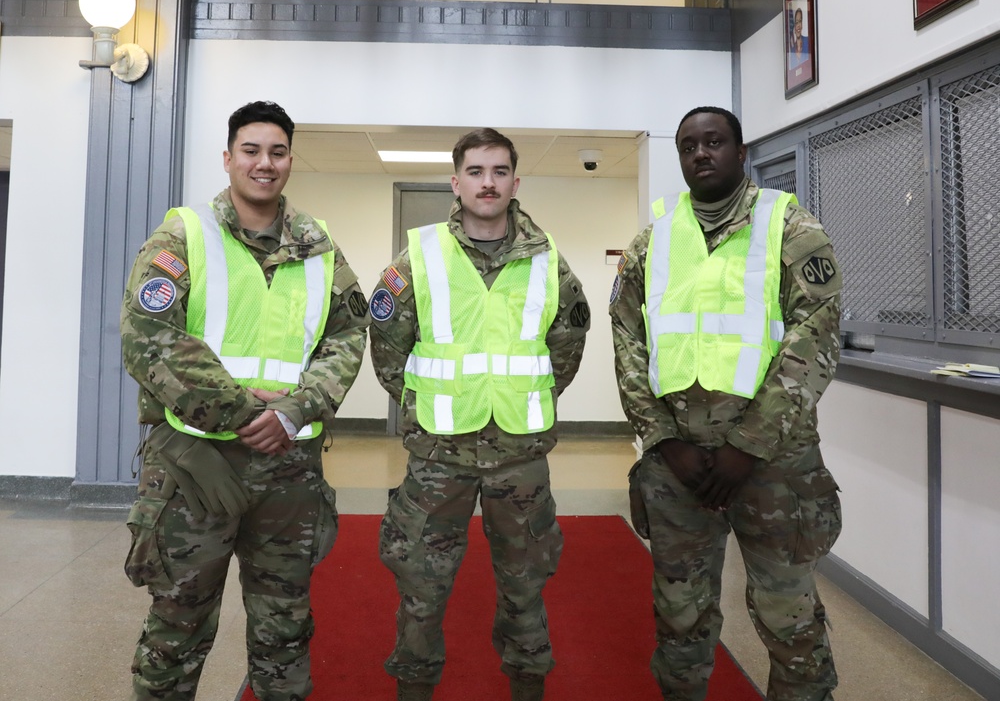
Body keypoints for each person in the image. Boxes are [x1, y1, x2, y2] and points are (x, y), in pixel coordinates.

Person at [121, 100, 370, 701]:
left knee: (284, 627)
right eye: (252, 151)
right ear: (229, 158)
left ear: (289, 161)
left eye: (278, 152)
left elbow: (348, 332)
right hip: (197, 462)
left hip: (288, 467)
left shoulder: (319, 246)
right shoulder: (184, 233)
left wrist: (297, 409)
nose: (265, 163)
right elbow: (148, 338)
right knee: (178, 623)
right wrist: (244, 411)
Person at [610, 107, 843, 701]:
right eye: (688, 146)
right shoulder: (653, 239)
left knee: (788, 614)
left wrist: (749, 445)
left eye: (714, 142)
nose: (700, 154)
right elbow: (629, 341)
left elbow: (814, 333)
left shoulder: (789, 226)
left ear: (741, 152)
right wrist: (662, 439)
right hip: (678, 465)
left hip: (773, 464)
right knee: (680, 614)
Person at [369, 128, 590, 701]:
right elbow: (388, 349)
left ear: (515, 181)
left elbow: (566, 348)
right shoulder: (417, 258)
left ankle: (527, 686)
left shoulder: (549, 262)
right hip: (439, 455)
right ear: (456, 181)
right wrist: (423, 409)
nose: (487, 182)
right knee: (422, 585)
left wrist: (520, 399)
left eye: (498, 171)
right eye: (475, 171)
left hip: (520, 455)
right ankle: (414, 689)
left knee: (526, 585)